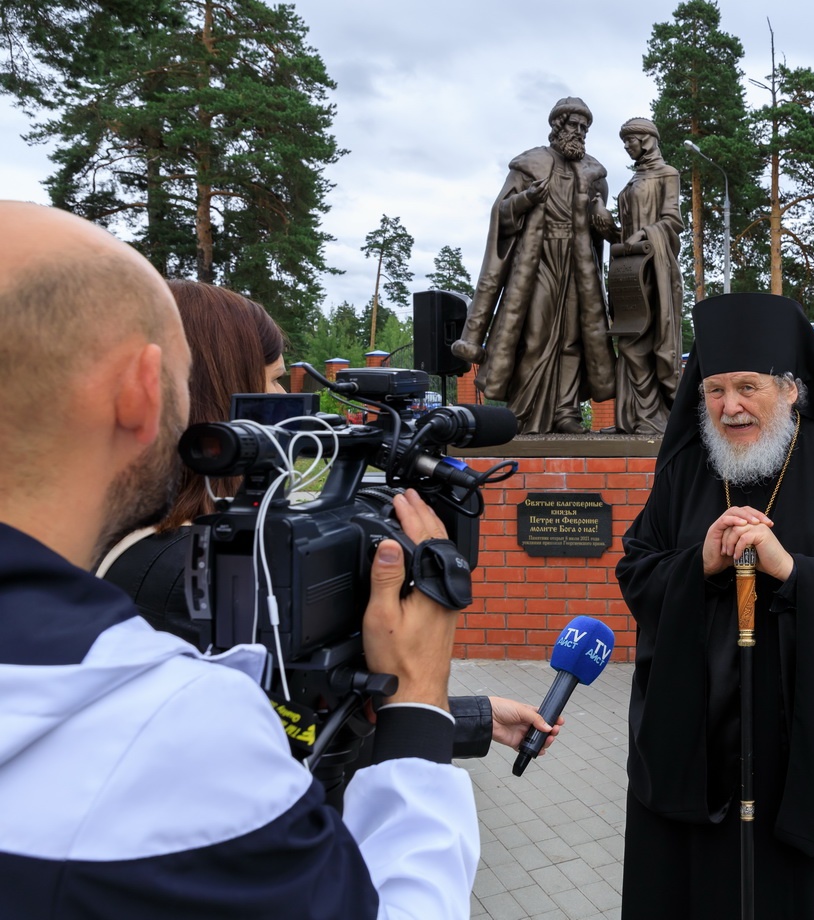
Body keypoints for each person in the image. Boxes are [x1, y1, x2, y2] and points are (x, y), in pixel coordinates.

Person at [0, 201, 471, 917]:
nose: (285, 401)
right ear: (142, 390)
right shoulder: (175, 717)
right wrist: (420, 703)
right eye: (273, 381)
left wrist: (466, 713)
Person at [95, 279, 562, 760]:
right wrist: (422, 672)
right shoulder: (206, 572)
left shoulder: (139, 541)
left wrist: (475, 718)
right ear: (218, 396)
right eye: (274, 380)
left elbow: (293, 716)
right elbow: (276, 766)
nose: (286, 396)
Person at [616, 293, 814, 919]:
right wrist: (699, 563)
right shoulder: (685, 472)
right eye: (714, 390)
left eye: (747, 387)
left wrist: (792, 572)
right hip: (703, 746)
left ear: (790, 390)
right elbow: (637, 573)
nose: (729, 407)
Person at [452, 96, 616, 434]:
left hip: (578, 263)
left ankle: (566, 412)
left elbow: (601, 222)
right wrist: (526, 198)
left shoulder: (594, 173)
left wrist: (602, 215)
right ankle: (523, 410)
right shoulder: (529, 165)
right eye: (574, 125)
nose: (580, 132)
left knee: (573, 338)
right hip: (539, 259)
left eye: (585, 127)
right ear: (558, 126)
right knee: (535, 334)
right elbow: (501, 213)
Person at [596, 116, 683, 436]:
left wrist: (644, 234)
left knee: (645, 340)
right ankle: (630, 418)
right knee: (628, 338)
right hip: (629, 270)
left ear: (646, 140)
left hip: (655, 270)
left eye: (629, 141)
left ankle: (652, 418)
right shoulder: (634, 179)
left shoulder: (667, 173)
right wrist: (609, 228)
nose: (626, 147)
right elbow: (625, 236)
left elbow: (672, 221)